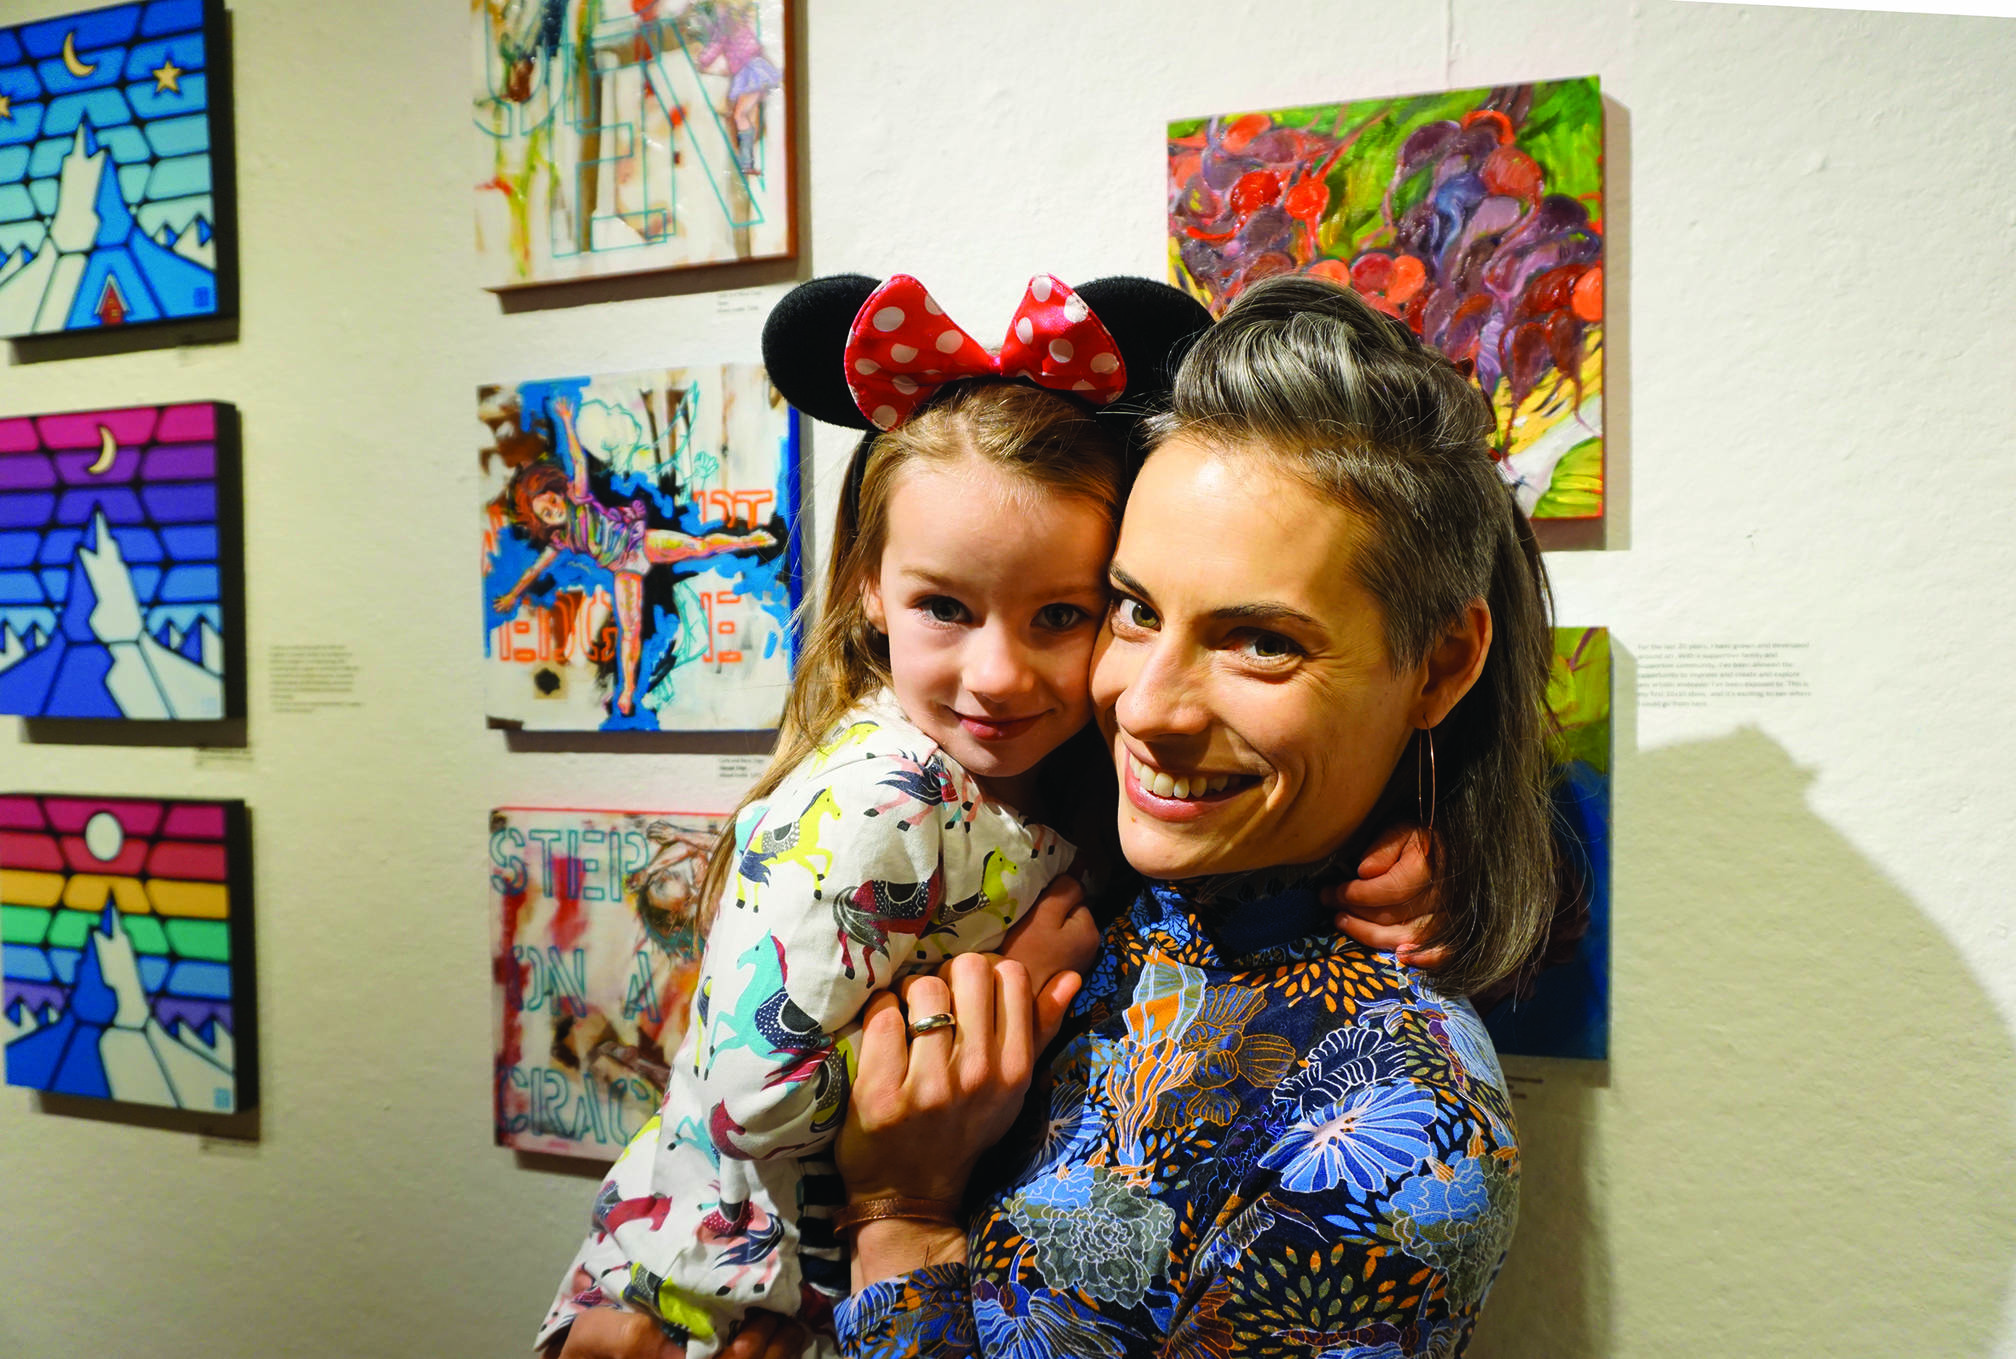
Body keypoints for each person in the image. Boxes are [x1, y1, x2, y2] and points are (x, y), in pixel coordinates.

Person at [540, 273, 1452, 1359]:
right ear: (867, 588)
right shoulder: (884, 804)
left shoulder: (1078, 783)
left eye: (1067, 614)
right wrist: (718, 1285)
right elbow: (743, 1097)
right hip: (718, 1296)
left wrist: (1430, 841)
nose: (1000, 676)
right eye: (1139, 613)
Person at [811, 273, 1559, 1358]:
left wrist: (903, 1222)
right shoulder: (1039, 848)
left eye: (1260, 640)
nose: (1146, 706)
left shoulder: (1401, 1138)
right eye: (1130, 608)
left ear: (1438, 664)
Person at [492, 395, 779, 717]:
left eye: (552, 501)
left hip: (640, 541)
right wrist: (513, 595)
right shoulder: (561, 541)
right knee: (631, 630)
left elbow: (577, 461)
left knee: (699, 547)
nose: (554, 509)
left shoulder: (580, 497)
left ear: (558, 493)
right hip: (623, 569)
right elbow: (535, 570)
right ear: (543, 523)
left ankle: (748, 539)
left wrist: (568, 424)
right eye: (546, 513)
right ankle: (627, 692)